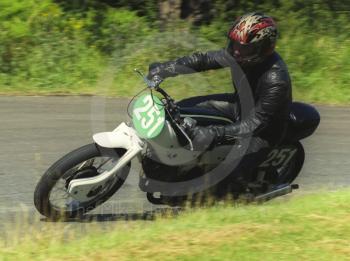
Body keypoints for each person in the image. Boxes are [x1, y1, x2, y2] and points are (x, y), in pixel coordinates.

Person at [147, 12, 292, 190]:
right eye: (235, 44)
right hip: (239, 106)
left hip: (263, 130)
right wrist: (167, 68)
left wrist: (214, 132)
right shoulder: (238, 55)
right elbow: (203, 60)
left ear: (262, 48)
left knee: (225, 182)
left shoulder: (276, 79)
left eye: (244, 48)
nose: (237, 51)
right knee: (181, 109)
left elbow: (256, 123)